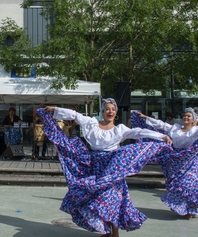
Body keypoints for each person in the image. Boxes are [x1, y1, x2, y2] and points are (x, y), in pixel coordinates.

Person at [41, 99, 172, 237]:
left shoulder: (120, 129)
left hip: (113, 169)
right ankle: (105, 230)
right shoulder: (92, 124)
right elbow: (75, 115)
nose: (110, 111)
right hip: (95, 169)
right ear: (102, 112)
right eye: (107, 109)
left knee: (112, 201)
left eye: (113, 109)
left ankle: (114, 232)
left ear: (116, 113)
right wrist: (55, 110)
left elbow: (138, 132)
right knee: (98, 201)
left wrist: (161, 136)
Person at [132, 108, 198, 219]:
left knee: (190, 185)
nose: (186, 117)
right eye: (184, 115)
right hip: (176, 161)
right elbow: (161, 124)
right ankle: (184, 209)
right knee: (179, 186)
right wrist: (145, 117)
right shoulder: (175, 128)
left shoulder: (196, 130)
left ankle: (191, 209)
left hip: (190, 159)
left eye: (189, 116)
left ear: (194, 119)